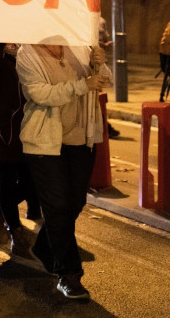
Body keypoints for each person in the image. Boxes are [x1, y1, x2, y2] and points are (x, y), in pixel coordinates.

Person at [16, 39, 111, 301]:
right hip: (45, 142)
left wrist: (99, 64)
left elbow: (104, 81)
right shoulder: (27, 53)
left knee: (75, 201)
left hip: (81, 138)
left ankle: (45, 247)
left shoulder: (79, 46)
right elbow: (39, 94)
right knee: (57, 206)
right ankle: (69, 274)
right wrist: (83, 85)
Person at [0, 43, 35, 256]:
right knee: (8, 181)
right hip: (3, 130)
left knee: (31, 182)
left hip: (28, 126)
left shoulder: (28, 51)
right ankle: (15, 231)